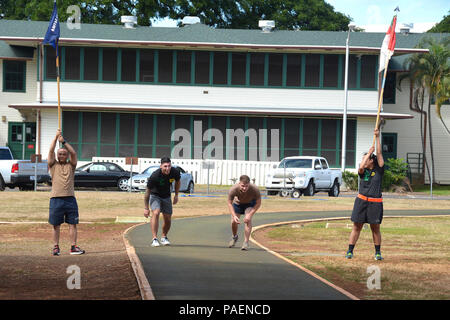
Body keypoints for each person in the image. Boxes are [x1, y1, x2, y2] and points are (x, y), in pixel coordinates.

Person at [346, 129, 385, 260]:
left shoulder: (379, 169)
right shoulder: (363, 171)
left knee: (375, 228)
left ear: (372, 161)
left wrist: (377, 137)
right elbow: (361, 167)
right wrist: (368, 153)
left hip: (375, 203)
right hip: (361, 201)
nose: (364, 160)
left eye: (367, 159)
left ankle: (378, 253)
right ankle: (350, 251)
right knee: (356, 227)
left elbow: (379, 153)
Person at [48, 129, 85, 256]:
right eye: (60, 154)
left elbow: (73, 153)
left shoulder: (71, 165)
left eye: (64, 154)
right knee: (55, 225)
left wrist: (64, 142)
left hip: (70, 199)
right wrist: (55, 138)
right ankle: (55, 247)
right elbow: (50, 151)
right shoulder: (53, 165)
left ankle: (73, 247)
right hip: (56, 199)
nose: (62, 155)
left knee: (73, 224)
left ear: (67, 156)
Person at [144, 157, 180, 247]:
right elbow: (147, 192)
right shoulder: (155, 176)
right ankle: (154, 239)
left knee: (167, 218)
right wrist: (146, 208)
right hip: (155, 195)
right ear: (161, 166)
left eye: (169, 166)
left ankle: (164, 237)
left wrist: (176, 195)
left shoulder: (174, 172)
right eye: (165, 166)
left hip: (167, 196)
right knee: (156, 213)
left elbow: (178, 182)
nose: (167, 168)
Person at [227, 175, 262, 250]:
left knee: (247, 219)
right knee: (233, 221)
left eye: (247, 186)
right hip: (237, 204)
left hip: (249, 203)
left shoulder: (254, 189)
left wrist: (250, 214)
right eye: (243, 186)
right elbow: (229, 203)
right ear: (239, 183)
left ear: (249, 184)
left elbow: (258, 203)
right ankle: (235, 237)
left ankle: (246, 242)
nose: (244, 188)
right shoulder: (233, 189)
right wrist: (234, 215)